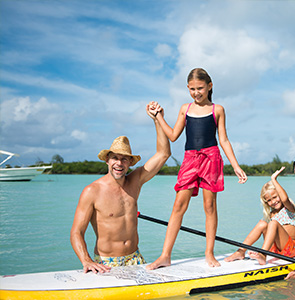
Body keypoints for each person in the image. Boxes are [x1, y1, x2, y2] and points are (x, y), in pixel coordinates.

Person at [147, 68, 247, 269]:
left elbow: (224, 140)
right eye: (192, 89)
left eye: (200, 88)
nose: (196, 93)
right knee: (178, 206)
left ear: (209, 86)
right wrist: (158, 117)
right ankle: (165, 255)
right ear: (187, 88)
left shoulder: (217, 109)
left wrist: (235, 166)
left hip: (211, 158)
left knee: (209, 207)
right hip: (190, 159)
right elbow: (173, 135)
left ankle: (209, 253)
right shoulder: (185, 108)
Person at [70, 102, 170, 273]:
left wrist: (157, 120)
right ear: (107, 160)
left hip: (135, 257)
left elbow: (163, 154)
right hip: (107, 262)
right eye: (115, 158)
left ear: (130, 162)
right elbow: (76, 232)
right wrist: (86, 260)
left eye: (124, 159)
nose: (119, 163)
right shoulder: (92, 191)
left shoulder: (135, 181)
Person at [224, 167, 295, 264]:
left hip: (291, 250)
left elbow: (285, 199)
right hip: (276, 250)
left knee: (273, 224)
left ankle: (263, 254)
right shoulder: (272, 214)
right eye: (269, 200)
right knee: (262, 223)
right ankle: (240, 251)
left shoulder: (289, 209)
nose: (273, 202)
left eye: (275, 197)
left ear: (280, 194)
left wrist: (274, 180)